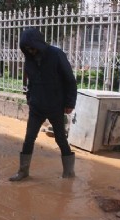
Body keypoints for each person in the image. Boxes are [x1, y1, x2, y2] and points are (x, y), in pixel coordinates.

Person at [9, 28, 77, 181]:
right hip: (37, 107)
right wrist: (29, 98)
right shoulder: (29, 59)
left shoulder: (56, 54)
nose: (30, 51)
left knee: (60, 139)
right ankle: (23, 171)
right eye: (26, 48)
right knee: (29, 138)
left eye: (32, 47)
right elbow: (29, 82)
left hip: (55, 106)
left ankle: (69, 172)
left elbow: (70, 81)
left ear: (38, 43)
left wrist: (69, 102)